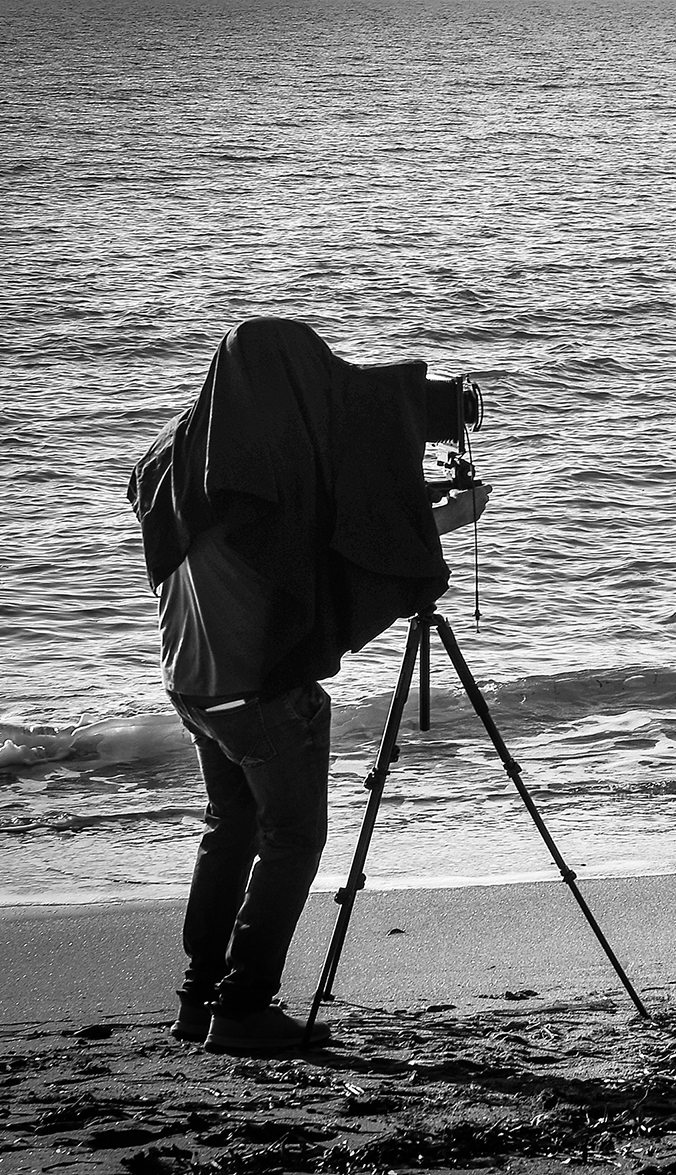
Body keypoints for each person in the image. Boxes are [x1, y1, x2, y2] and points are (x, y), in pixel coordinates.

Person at [128, 318, 488, 1052]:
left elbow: (316, 515)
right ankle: (243, 1006)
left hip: (191, 685)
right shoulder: (267, 474)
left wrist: (425, 501)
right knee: (293, 837)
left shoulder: (180, 456)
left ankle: (198, 999)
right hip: (259, 692)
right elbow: (335, 540)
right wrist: (449, 515)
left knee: (229, 831)